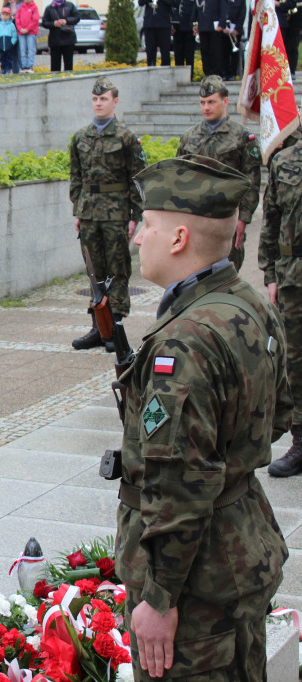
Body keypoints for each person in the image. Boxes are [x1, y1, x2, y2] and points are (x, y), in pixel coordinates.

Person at [116, 155, 290, 682]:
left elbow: (178, 483)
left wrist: (160, 599)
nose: (135, 238)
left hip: (196, 584)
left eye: (147, 225)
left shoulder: (184, 342)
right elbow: (279, 412)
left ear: (178, 238)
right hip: (238, 545)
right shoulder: (248, 303)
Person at [69, 77, 146, 350]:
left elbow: (138, 178)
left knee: (117, 271)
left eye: (104, 99)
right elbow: (76, 177)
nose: (98, 103)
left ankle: (116, 328)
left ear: (115, 101)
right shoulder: (81, 137)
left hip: (116, 215)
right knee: (95, 272)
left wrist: (135, 216)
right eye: (95, 99)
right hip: (89, 215)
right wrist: (77, 210)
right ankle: (97, 327)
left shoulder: (126, 137)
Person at [176, 76, 260, 271]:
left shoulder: (242, 137)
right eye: (202, 103)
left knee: (226, 279)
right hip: (195, 219)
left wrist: (243, 219)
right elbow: (178, 177)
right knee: (193, 277)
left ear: (225, 101)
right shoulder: (189, 137)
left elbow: (252, 182)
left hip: (227, 218)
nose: (206, 107)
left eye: (211, 102)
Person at [259, 139, 302, 476]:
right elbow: (270, 218)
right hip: (292, 277)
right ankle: (301, 441)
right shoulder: (284, 161)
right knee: (294, 362)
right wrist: (270, 272)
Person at [41, 0, 80, 71]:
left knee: (68, 66)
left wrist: (66, 21)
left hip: (68, 39)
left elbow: (77, 17)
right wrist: (53, 24)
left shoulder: (70, 5)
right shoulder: (49, 8)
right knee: (55, 67)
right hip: (55, 40)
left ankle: (68, 80)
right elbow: (44, 23)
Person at [139, 0, 173, 66]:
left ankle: (165, 73)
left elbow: (174, 3)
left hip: (164, 25)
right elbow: (140, 3)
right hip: (150, 25)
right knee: (150, 53)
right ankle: (151, 72)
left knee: (165, 53)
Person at [195, 0, 224, 76]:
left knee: (215, 50)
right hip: (203, 26)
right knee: (204, 51)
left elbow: (223, 7)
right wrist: (194, 23)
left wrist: (222, 23)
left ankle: (216, 73)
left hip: (214, 26)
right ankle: (207, 72)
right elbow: (196, 8)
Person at [172, 0, 196, 76]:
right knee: (178, 56)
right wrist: (172, 25)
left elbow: (195, 10)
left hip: (189, 28)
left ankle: (190, 76)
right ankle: (179, 76)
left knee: (189, 56)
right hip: (177, 28)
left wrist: (194, 24)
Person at [14, 0, 39, 72]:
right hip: (21, 33)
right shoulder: (21, 7)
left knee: (31, 49)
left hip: (31, 32)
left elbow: (35, 20)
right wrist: (20, 28)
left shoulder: (34, 7)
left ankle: (30, 66)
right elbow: (17, 19)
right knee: (22, 50)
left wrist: (27, 29)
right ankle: (23, 67)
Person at [0, 6, 19, 73]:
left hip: (8, 45)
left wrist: (12, 43)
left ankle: (8, 69)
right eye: (3, 14)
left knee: (9, 58)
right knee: (2, 58)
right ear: (1, 15)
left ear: (9, 16)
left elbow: (14, 35)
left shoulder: (11, 25)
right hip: (1, 44)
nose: (5, 16)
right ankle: (3, 69)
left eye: (7, 15)